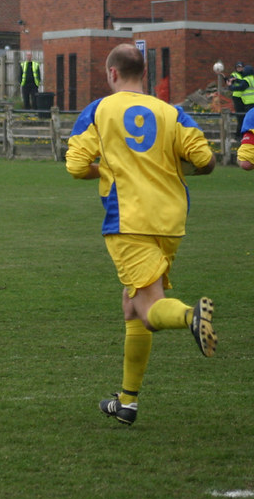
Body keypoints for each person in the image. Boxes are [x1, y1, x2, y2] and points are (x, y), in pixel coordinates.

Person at [65, 43, 217, 427]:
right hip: (171, 221)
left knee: (150, 310)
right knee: (132, 305)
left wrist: (105, 170)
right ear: (143, 73)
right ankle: (127, 402)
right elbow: (206, 161)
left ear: (112, 73)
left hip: (129, 220)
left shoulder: (98, 111)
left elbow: (75, 165)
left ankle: (189, 317)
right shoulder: (172, 112)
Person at [227, 62, 254, 137]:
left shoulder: (247, 79)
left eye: (241, 67)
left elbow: (241, 87)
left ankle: (242, 135)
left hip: (249, 102)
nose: (240, 69)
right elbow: (241, 82)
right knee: (243, 117)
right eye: (238, 67)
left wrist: (230, 87)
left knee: (246, 118)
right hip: (241, 100)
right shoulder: (251, 78)